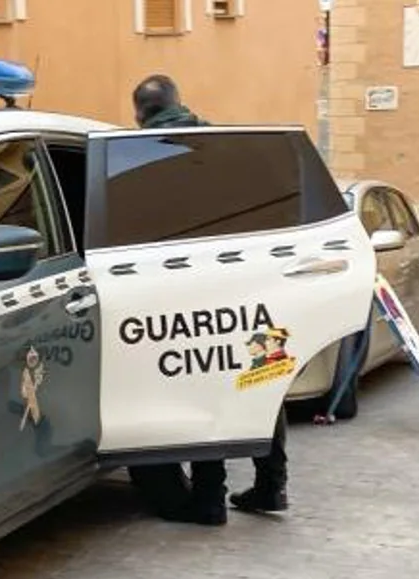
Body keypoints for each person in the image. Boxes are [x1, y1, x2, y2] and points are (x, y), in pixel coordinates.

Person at [125, 74, 290, 526]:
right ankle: (272, 485)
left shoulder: (140, 155)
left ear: (141, 112)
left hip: (186, 290)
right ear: (181, 102)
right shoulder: (226, 146)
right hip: (252, 284)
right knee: (264, 380)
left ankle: (209, 498)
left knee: (202, 383)